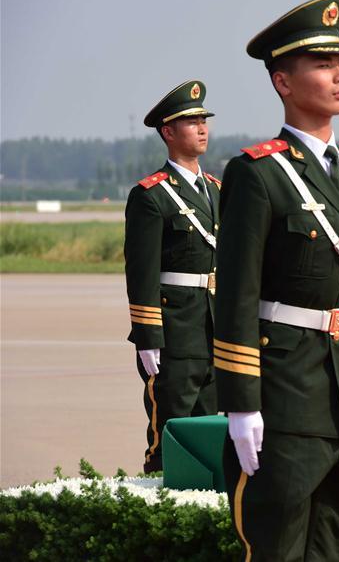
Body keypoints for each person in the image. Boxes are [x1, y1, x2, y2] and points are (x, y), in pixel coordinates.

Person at [213, 0, 339, 560]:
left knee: (331, 544)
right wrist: (242, 403)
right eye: (321, 64)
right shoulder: (258, 173)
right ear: (283, 81)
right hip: (283, 393)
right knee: (278, 546)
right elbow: (236, 293)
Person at [124, 80, 219, 473]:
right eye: (191, 121)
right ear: (168, 132)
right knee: (171, 432)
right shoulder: (151, 195)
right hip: (175, 331)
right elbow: (141, 271)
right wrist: (148, 337)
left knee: (214, 431)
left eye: (203, 120)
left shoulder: (216, 189)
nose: (202, 128)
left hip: (215, 326)